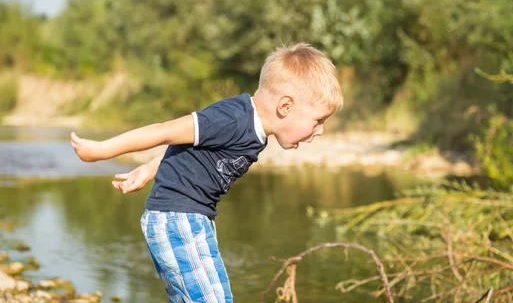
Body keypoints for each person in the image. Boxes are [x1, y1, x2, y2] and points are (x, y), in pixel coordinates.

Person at [71, 43, 344, 303]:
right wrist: (101, 151)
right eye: (318, 120)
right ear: (285, 106)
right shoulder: (232, 119)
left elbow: (194, 151)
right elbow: (165, 131)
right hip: (177, 219)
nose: (320, 130)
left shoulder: (257, 132)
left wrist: (151, 169)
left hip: (192, 220)